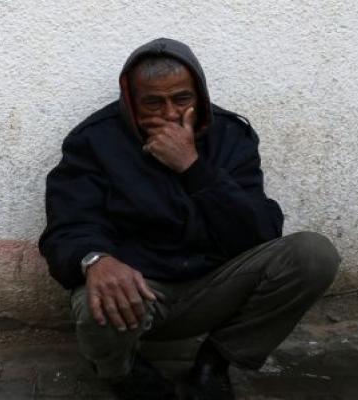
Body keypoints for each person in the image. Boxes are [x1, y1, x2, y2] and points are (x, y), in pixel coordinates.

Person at [38, 38, 341, 400]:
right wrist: (95, 259)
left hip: (214, 286)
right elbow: (68, 226)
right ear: (129, 99)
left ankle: (215, 362)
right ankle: (124, 373)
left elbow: (260, 231)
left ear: (199, 92)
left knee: (313, 254)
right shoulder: (94, 141)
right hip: (140, 293)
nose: (168, 113)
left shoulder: (230, 135)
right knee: (94, 296)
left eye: (181, 99)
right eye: (152, 102)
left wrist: (192, 167)